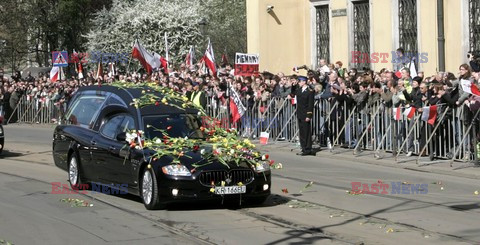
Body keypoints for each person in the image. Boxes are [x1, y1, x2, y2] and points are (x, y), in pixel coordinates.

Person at [295, 76, 315, 156]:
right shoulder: (299, 90)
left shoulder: (310, 91)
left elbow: (310, 104)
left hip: (306, 114)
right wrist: (293, 85)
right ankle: (303, 148)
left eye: (299, 81)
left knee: (306, 132)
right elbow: (293, 93)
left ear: (304, 82)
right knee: (302, 132)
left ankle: (308, 149)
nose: (298, 83)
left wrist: (308, 115)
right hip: (300, 113)